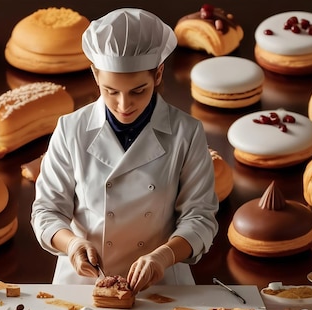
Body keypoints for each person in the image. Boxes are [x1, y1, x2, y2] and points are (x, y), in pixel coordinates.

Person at [30, 8, 218, 294]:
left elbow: (200, 217)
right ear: (95, 74)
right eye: (111, 91)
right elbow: (46, 210)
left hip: (163, 287)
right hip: (82, 285)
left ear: (158, 74)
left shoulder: (186, 132)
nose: (123, 105)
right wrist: (72, 244)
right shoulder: (71, 129)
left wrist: (164, 256)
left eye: (138, 91)